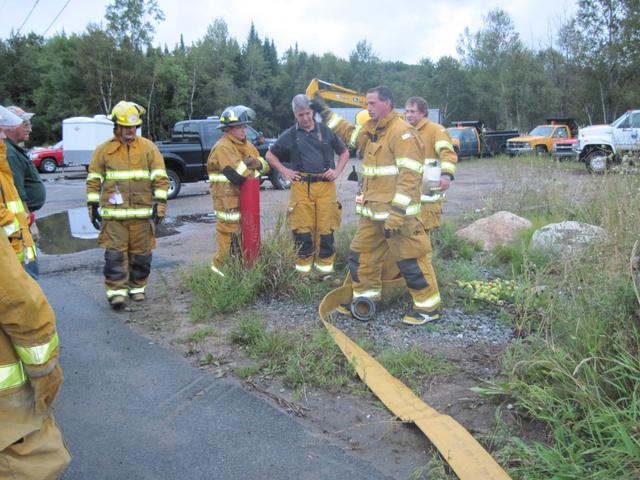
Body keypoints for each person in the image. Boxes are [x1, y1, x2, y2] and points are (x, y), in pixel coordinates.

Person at [312, 86, 441, 325]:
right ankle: (366, 301)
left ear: (387, 104)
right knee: (361, 256)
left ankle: (428, 309)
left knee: (411, 260)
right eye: (367, 104)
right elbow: (348, 133)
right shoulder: (374, 131)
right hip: (373, 216)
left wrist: (396, 214)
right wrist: (322, 111)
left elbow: (410, 177)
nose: (368, 108)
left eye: (372, 104)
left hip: (397, 217)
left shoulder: (402, 133)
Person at [0, 106, 70, 479]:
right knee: (32, 458)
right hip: (9, 410)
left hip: (18, 255)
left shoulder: (9, 159)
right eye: (21, 123)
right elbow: (19, 302)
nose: (28, 127)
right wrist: (46, 376)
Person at [86, 101, 169, 309]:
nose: (130, 131)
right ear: (117, 126)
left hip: (141, 216)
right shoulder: (103, 150)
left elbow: (160, 178)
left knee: (142, 255)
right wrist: (93, 205)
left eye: (133, 127)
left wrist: (160, 205)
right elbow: (94, 179)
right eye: (126, 127)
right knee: (115, 255)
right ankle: (117, 293)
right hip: (114, 216)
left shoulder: (148, 148)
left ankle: (137, 288)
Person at [266, 94, 349, 276]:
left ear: (312, 111)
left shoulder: (326, 131)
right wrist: (286, 171)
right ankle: (303, 274)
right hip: (301, 188)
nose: (305, 118)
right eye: (300, 115)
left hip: (326, 187)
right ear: (295, 114)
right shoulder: (290, 135)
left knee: (326, 229)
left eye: (307, 113)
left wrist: (337, 172)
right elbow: (270, 156)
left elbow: (344, 152)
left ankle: (325, 271)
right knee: (302, 230)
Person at [207, 105, 269, 276]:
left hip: (245, 203)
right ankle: (218, 277)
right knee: (228, 243)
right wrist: (252, 163)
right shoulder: (223, 147)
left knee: (243, 242)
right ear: (228, 129)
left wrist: (256, 163)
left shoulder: (248, 146)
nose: (244, 130)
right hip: (227, 205)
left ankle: (238, 275)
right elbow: (236, 175)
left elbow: (265, 167)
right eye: (239, 127)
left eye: (244, 126)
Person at [3, 106, 46, 279]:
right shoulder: (10, 154)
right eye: (25, 124)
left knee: (28, 265)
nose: (30, 128)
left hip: (22, 220)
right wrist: (30, 221)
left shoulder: (12, 150)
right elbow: (17, 193)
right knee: (27, 270)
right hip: (19, 224)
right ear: (9, 127)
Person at [404, 96, 457, 231]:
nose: (408, 115)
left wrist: (446, 176)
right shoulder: (405, 131)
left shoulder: (436, 130)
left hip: (429, 196)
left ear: (423, 113)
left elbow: (448, 154)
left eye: (412, 111)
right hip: (409, 194)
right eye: (407, 111)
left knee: (426, 234)